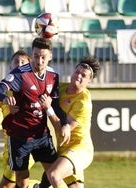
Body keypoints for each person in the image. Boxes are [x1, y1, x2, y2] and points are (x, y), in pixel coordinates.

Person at [0, 37, 71, 188]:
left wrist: (65, 123)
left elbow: (56, 105)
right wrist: (5, 99)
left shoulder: (53, 76)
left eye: (43, 57)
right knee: (21, 177)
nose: (39, 61)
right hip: (19, 135)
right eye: (35, 56)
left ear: (50, 56)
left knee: (53, 172)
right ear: (31, 55)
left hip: (41, 134)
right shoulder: (19, 74)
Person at [41, 56, 100, 188]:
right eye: (77, 72)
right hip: (64, 151)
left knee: (54, 175)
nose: (78, 76)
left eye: (83, 75)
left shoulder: (83, 102)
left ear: (89, 81)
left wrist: (48, 109)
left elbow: (63, 131)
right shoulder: (61, 88)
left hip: (80, 150)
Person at [0, 50, 38, 188]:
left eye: (23, 62)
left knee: (6, 186)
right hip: (8, 147)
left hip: (24, 145)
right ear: (10, 66)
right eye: (16, 61)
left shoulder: (33, 89)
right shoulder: (2, 92)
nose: (19, 65)